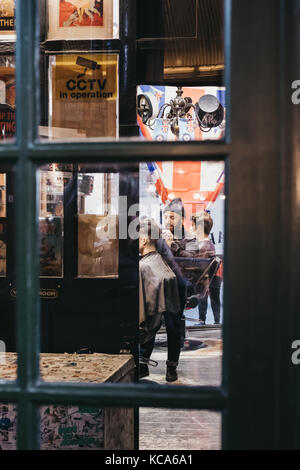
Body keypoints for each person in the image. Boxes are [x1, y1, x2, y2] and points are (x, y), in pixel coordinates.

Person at [139, 218, 182, 382]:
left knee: (149, 319)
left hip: (149, 320)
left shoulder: (143, 266)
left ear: (143, 240)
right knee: (170, 325)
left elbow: (143, 307)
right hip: (169, 309)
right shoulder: (161, 261)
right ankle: (171, 368)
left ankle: (142, 364)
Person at [191, 211, 222, 325]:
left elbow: (197, 266)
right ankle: (216, 321)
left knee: (203, 296)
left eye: (193, 225)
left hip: (206, 277)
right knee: (215, 298)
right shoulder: (208, 244)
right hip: (215, 276)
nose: (191, 227)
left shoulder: (202, 245)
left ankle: (202, 319)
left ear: (198, 227)